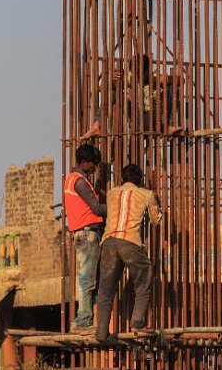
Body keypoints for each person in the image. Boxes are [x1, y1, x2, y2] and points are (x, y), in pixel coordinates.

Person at [95, 163, 162, 342]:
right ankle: (137, 322)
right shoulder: (147, 194)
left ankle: (101, 332)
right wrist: (158, 204)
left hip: (108, 242)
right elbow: (156, 221)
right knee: (143, 279)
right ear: (139, 181)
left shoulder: (111, 193)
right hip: (131, 242)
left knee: (105, 290)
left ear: (122, 179)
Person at [63, 144, 106, 334]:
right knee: (87, 280)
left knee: (88, 279)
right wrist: (117, 206)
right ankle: (83, 322)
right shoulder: (79, 181)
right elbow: (96, 209)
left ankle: (83, 320)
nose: (95, 167)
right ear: (84, 162)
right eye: (93, 163)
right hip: (87, 233)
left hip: (82, 233)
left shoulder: (75, 179)